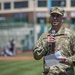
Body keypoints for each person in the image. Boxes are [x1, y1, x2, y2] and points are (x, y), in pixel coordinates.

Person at [33, 7, 75, 75]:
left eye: (58, 16)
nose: (55, 18)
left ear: (62, 18)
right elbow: (36, 56)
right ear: (50, 17)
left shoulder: (70, 35)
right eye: (53, 15)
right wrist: (46, 44)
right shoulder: (44, 36)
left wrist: (69, 60)